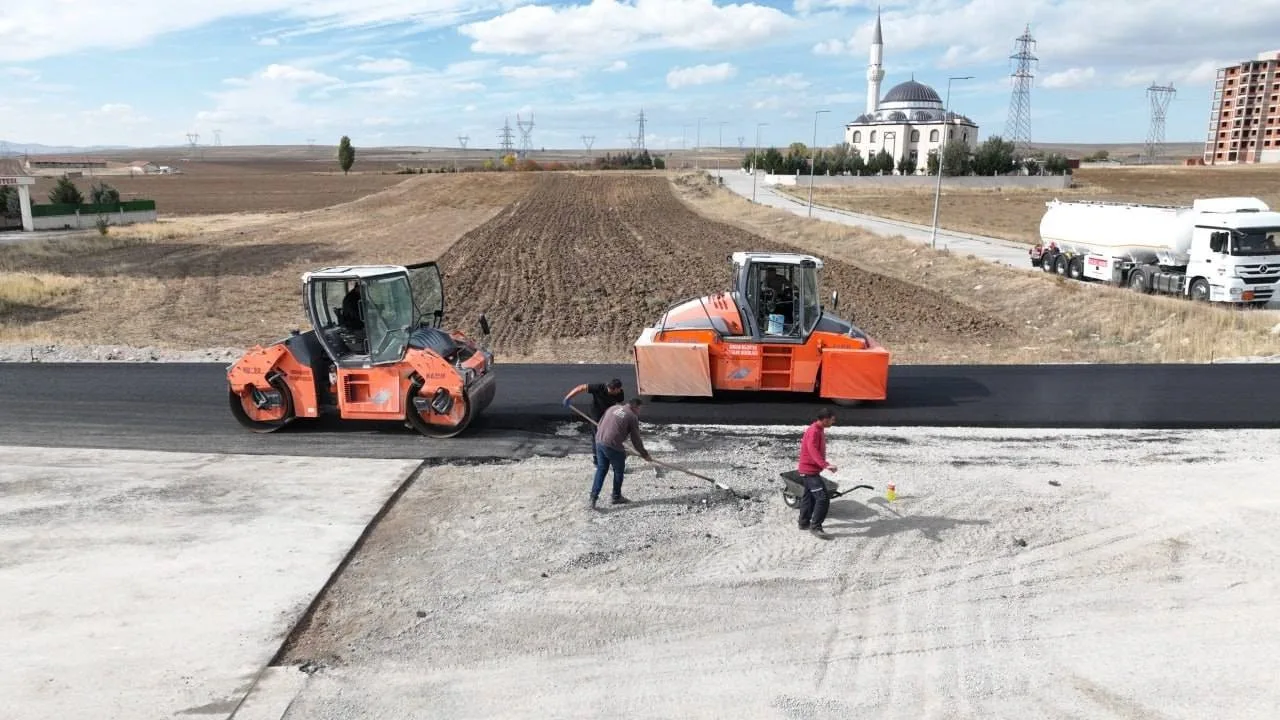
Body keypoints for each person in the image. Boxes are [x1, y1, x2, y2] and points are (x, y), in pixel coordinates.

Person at [589, 398, 651, 509]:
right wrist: (644, 454)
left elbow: (601, 424)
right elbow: (636, 440)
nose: (639, 412)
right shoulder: (632, 417)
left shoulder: (613, 408)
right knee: (619, 470)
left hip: (599, 441)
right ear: (635, 407)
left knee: (601, 469)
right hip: (612, 445)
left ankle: (593, 497)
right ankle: (616, 496)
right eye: (639, 409)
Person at [563, 378, 626, 466]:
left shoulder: (620, 394)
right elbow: (581, 387)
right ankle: (598, 460)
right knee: (597, 437)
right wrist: (568, 397)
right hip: (595, 414)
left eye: (615, 390)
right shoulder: (599, 387)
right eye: (610, 389)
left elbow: (619, 405)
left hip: (608, 415)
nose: (611, 391)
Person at [796, 408, 838, 539]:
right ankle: (816, 527)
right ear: (825, 419)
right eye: (832, 420)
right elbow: (812, 450)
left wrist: (824, 463)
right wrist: (825, 465)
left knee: (808, 497)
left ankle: (803, 523)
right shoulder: (814, 431)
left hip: (810, 470)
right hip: (809, 471)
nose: (833, 422)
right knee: (823, 498)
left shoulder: (818, 429)